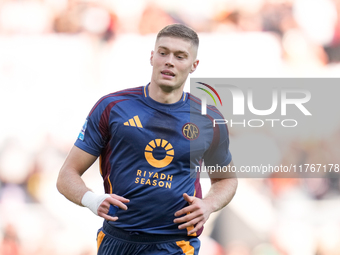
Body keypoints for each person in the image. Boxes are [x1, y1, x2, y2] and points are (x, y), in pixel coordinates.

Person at [57, 24, 237, 255]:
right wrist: (91, 200)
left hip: (175, 244)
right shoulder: (112, 107)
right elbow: (66, 175)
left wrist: (209, 205)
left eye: (180, 56)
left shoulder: (208, 118)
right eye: (163, 53)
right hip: (118, 239)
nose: (169, 61)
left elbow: (226, 179)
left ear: (194, 65)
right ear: (152, 57)